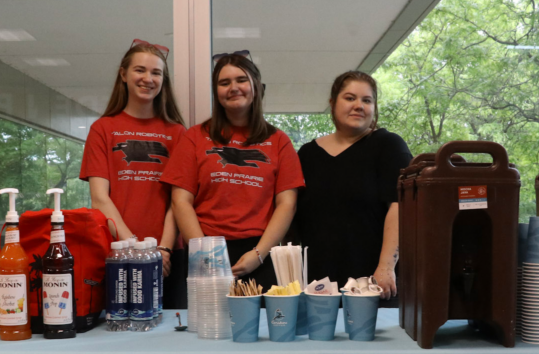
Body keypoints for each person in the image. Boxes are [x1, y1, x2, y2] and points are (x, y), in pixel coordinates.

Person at [162, 52, 304, 291]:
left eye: (241, 80)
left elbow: (287, 204)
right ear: (216, 92)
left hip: (260, 253)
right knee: (207, 327)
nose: (233, 88)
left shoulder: (278, 141)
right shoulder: (195, 137)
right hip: (205, 251)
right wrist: (206, 254)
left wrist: (259, 254)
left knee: (259, 328)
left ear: (256, 87)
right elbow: (180, 200)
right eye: (224, 82)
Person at [79, 39, 187, 305]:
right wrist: (140, 249)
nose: (147, 78)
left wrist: (162, 248)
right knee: (121, 335)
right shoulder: (102, 129)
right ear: (123, 74)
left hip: (169, 256)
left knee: (173, 338)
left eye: (156, 73)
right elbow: (100, 199)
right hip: (119, 253)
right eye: (140, 70)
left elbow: (180, 200)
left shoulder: (178, 133)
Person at [294, 71, 412, 303]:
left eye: (367, 100)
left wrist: (386, 268)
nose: (358, 105)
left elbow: (401, 207)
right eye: (350, 98)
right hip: (317, 283)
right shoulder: (307, 154)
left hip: (372, 281)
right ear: (332, 103)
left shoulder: (389, 146)